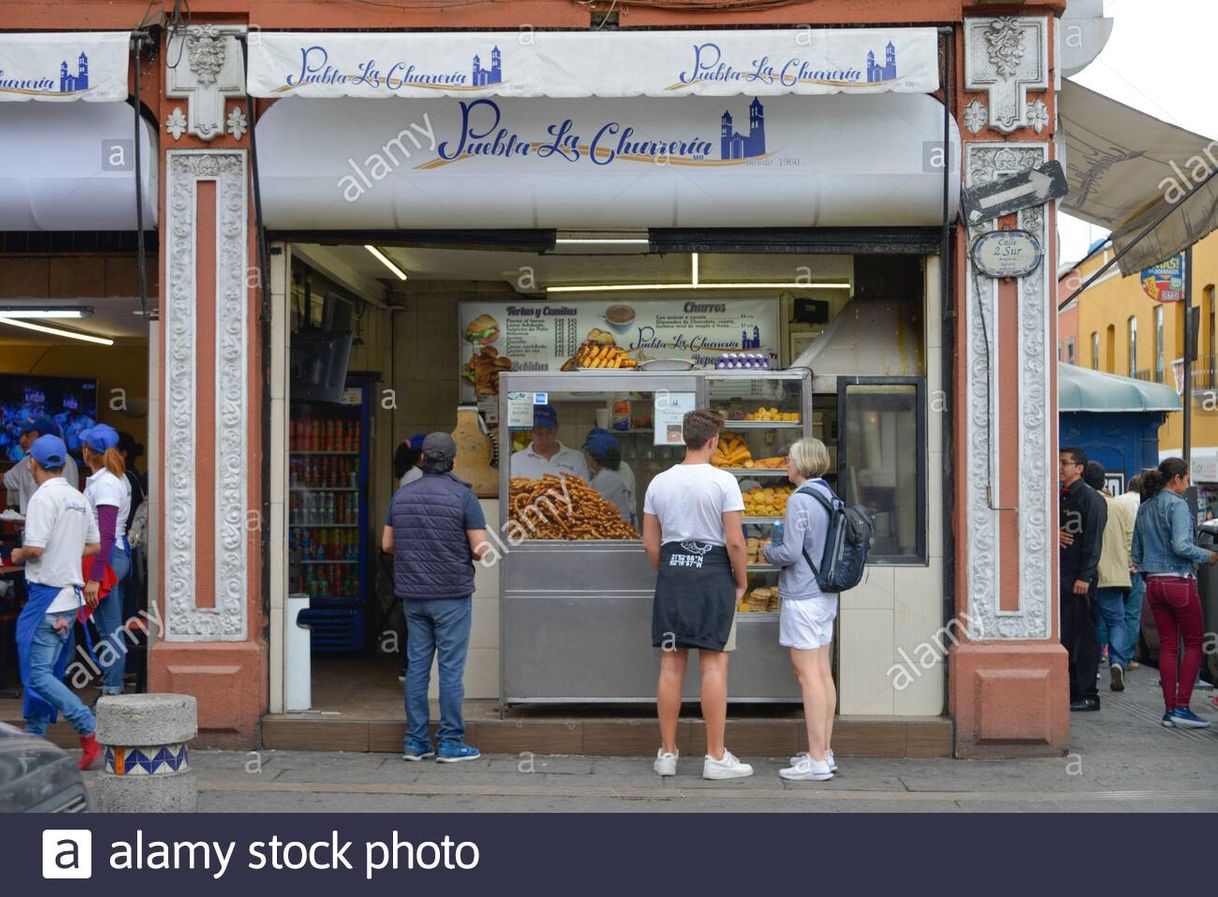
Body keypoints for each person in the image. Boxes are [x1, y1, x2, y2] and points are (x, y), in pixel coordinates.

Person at [642, 409, 753, 780]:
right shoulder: (724, 481)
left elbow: (649, 542)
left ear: (682, 438)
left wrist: (669, 571)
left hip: (673, 573)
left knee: (671, 664)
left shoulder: (659, 482)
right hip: (714, 574)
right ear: (713, 441)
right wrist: (741, 581)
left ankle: (667, 754)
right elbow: (735, 541)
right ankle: (715, 756)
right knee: (714, 664)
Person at [383, 432, 490, 762]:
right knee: (450, 670)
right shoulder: (464, 497)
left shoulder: (402, 495)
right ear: (453, 461)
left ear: (422, 460)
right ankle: (450, 741)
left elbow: (387, 544)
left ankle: (415, 741)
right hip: (452, 596)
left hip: (414, 596)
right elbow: (479, 548)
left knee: (417, 668)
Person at [10, 434, 103, 769]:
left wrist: (15, 552)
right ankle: (33, 744)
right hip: (68, 600)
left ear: (33, 463)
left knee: (36, 676)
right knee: (48, 673)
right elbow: (93, 546)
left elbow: (34, 549)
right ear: (63, 463)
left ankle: (86, 725)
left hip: (46, 599)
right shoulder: (78, 498)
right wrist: (65, 551)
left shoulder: (41, 498)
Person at [763, 437, 838, 782]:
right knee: (822, 673)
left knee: (807, 676)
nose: (786, 463)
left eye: (790, 458)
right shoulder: (829, 495)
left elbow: (790, 552)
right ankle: (825, 750)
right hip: (825, 595)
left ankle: (817, 759)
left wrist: (767, 550)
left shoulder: (800, 500)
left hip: (802, 596)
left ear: (802, 462)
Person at [1131, 457, 1215, 728]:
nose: (1188, 484)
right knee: (1192, 644)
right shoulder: (1177, 506)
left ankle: (1169, 711)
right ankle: (1183, 707)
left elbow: (1136, 552)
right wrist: (1209, 555)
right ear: (1177, 478)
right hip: (1179, 581)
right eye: (1187, 479)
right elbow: (1181, 545)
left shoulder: (1145, 508)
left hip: (1154, 584)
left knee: (1167, 645)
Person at [79, 424, 132, 698]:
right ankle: (112, 691)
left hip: (108, 557)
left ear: (89, 452)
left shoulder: (107, 484)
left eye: (83, 446)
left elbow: (107, 534)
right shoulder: (112, 478)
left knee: (109, 630)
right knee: (109, 628)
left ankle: (111, 695)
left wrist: (96, 577)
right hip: (112, 556)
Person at [1059, 447, 1106, 711]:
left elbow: (1093, 540)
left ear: (1079, 468)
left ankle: (1088, 694)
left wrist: (1085, 576)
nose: (1060, 467)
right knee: (1066, 635)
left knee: (1084, 637)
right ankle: (1072, 690)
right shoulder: (1060, 496)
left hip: (1080, 578)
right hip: (1063, 577)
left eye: (1065, 463)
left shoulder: (1090, 498)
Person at [1085, 461, 1135, 692]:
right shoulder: (1118, 507)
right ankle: (1117, 662)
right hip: (1115, 574)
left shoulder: (1083, 502)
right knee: (1117, 621)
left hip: (1088, 573)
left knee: (1088, 621)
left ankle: (1092, 664)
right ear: (1104, 482)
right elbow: (1129, 540)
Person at [4, 414, 80, 512]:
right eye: (21, 434)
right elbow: (5, 480)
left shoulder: (66, 460)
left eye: (27, 434)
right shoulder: (26, 461)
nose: (21, 440)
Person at [1114, 474, 1145, 670]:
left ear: (1127, 486)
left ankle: (1105, 653)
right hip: (1137, 565)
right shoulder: (1146, 504)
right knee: (1132, 614)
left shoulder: (1116, 502)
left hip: (1116, 565)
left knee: (1111, 612)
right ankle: (1126, 658)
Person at [509, 405, 590, 481]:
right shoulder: (516, 460)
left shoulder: (577, 458)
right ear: (529, 433)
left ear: (557, 428)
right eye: (538, 434)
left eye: (549, 432)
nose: (544, 438)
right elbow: (513, 492)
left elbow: (585, 492)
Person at [583, 430, 633, 523]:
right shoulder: (610, 474)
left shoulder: (606, 477)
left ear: (593, 457)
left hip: (617, 530)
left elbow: (592, 509)